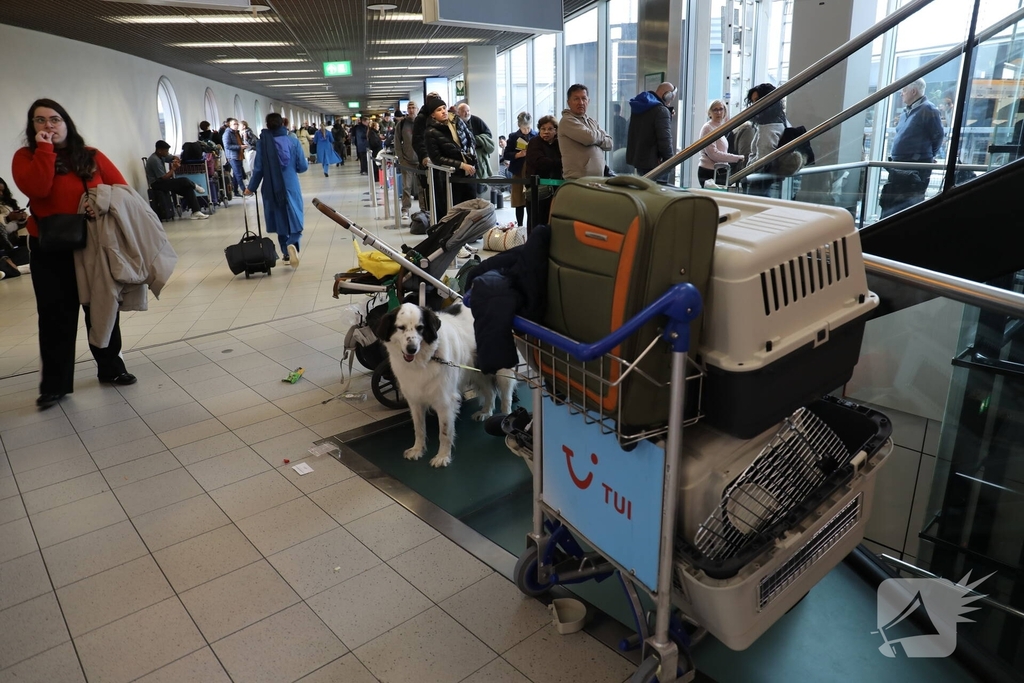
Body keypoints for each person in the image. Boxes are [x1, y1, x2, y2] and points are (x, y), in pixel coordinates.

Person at [12, 98, 137, 408]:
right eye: (39, 121)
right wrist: (45, 151)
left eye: (54, 119)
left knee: (101, 306)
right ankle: (54, 385)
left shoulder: (90, 156)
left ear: (66, 122)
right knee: (55, 315)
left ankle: (111, 367)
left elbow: (122, 190)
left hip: (91, 244)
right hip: (49, 247)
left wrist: (100, 203)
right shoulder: (26, 157)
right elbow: (38, 190)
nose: (48, 126)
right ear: (32, 127)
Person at [245, 112, 308, 267]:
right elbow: (302, 167)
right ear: (283, 124)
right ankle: (292, 243)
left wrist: (250, 188)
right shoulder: (293, 141)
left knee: (280, 220)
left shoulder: (263, 143)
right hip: (290, 184)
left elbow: (258, 169)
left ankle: (286, 253)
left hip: (271, 186)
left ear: (267, 125)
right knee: (295, 217)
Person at [879, 78, 945, 218]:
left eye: (904, 90)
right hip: (899, 166)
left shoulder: (929, 109)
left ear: (913, 91)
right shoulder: (905, 112)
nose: (901, 94)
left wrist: (927, 156)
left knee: (909, 206)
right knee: (892, 203)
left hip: (915, 167)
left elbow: (938, 135)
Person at [424, 94, 477, 217]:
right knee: (456, 211)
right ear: (432, 115)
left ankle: (472, 234)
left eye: (444, 108)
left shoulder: (457, 120)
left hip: (470, 171)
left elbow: (471, 140)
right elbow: (437, 158)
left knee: (472, 208)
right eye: (439, 110)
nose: (443, 111)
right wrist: (461, 165)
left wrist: (472, 159)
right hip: (451, 176)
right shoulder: (430, 132)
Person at [559, 84, 613, 180]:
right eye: (576, 99)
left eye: (584, 98)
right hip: (577, 181)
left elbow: (609, 143)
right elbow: (589, 138)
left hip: (597, 180)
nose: (581, 102)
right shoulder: (567, 120)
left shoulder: (591, 121)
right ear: (569, 102)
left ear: (588, 101)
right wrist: (600, 135)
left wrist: (594, 136)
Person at [744, 83, 789, 196]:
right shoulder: (780, 122)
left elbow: (762, 161)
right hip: (766, 182)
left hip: (759, 183)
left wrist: (745, 173)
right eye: (753, 101)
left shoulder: (768, 128)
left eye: (758, 100)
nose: (755, 105)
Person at [145, 141, 209, 219]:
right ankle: (195, 186)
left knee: (187, 189)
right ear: (159, 151)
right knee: (183, 180)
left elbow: (171, 157)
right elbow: (164, 178)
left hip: (163, 182)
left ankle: (196, 212)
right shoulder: (154, 160)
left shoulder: (161, 156)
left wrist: (176, 158)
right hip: (157, 184)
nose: (167, 153)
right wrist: (174, 168)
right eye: (166, 151)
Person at [626, 82, 677, 181]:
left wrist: (667, 113)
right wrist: (670, 162)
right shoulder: (661, 111)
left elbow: (647, 126)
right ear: (667, 95)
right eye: (671, 99)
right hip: (655, 163)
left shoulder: (641, 105)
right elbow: (665, 140)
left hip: (640, 160)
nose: (670, 102)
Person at [524, 115, 562, 231]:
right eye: (543, 129)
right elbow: (539, 162)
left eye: (550, 129)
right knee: (536, 221)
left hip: (556, 189)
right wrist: (559, 162)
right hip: (538, 190)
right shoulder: (534, 142)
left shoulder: (559, 144)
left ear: (556, 130)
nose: (546, 132)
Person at [697, 99, 745, 187]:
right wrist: (737, 158)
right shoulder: (708, 128)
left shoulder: (719, 127)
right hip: (710, 171)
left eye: (721, 109)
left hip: (720, 170)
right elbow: (713, 154)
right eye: (715, 110)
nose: (718, 112)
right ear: (709, 112)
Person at [502, 112, 537, 227]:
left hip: (532, 171)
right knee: (518, 201)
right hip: (518, 170)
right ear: (519, 126)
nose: (526, 130)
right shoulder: (513, 137)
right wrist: (518, 155)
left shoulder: (536, 135)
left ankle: (531, 226)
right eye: (523, 128)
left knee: (531, 200)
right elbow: (506, 154)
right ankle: (520, 226)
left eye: (528, 128)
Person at [395, 102, 423, 220]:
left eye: (413, 108)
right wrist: (401, 159)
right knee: (406, 186)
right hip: (407, 160)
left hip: (421, 161)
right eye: (409, 108)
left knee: (422, 186)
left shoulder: (422, 123)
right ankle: (405, 209)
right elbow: (397, 142)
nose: (411, 110)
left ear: (417, 109)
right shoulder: (401, 124)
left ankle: (424, 209)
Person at [456, 102, 495, 182]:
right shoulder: (456, 123)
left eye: (468, 111)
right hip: (463, 156)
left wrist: (476, 139)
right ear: (458, 112)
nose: (467, 113)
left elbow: (489, 134)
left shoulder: (476, 120)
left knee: (480, 181)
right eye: (464, 111)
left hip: (479, 155)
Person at [222, 118, 246, 195]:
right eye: (234, 124)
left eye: (237, 124)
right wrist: (239, 147)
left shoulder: (236, 133)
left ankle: (235, 191)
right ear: (230, 125)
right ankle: (244, 190)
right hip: (233, 156)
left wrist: (242, 147)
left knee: (236, 174)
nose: (236, 126)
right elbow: (227, 146)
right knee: (238, 174)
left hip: (239, 155)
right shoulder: (227, 134)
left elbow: (239, 142)